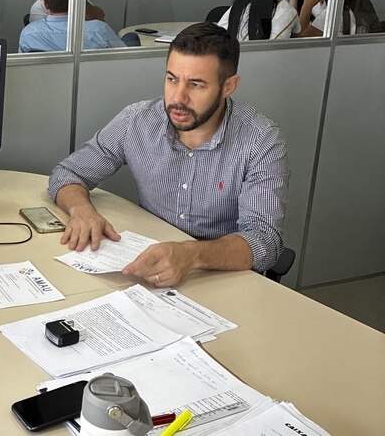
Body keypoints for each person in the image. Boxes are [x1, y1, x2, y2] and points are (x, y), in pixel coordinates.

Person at [48, 22, 290, 287]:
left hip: (220, 278)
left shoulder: (260, 139)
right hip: (150, 272)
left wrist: (190, 254)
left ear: (228, 86)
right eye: (172, 79)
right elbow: (68, 173)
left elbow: (265, 241)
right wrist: (81, 211)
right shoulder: (137, 120)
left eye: (196, 85)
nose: (178, 98)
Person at [19, 0, 124, 52]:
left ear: (45, 4)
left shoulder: (28, 34)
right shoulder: (100, 31)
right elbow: (126, 59)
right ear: (79, 2)